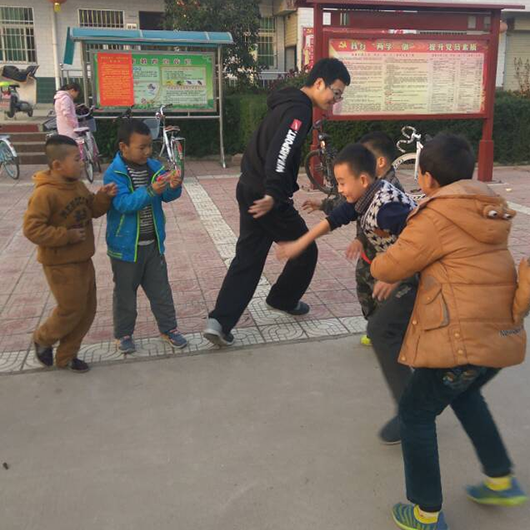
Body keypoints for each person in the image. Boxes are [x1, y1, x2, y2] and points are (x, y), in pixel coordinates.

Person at [371, 133, 530, 530]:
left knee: (415, 413)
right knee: (465, 395)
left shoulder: (436, 215)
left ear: (426, 177)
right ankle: (500, 479)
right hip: (499, 335)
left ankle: (426, 513)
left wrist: (377, 257)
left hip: (461, 341)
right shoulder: (487, 208)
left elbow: (390, 267)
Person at [204, 57, 351, 347]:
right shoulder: (299, 110)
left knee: (249, 256)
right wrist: (272, 193)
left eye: (340, 96)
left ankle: (218, 322)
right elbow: (280, 151)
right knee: (305, 248)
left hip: (249, 186)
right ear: (319, 83)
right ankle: (282, 299)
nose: (335, 100)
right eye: (335, 92)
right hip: (268, 196)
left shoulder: (286, 103)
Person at [277, 143, 414, 315]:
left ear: (363, 180)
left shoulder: (387, 209)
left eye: (342, 183)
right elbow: (333, 220)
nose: (340, 190)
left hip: (412, 270)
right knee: (378, 317)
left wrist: (396, 277)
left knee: (395, 321)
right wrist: (299, 244)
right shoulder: (365, 195)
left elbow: (416, 243)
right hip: (393, 265)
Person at [23, 135, 116, 372]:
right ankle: (43, 338)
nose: (82, 162)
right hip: (60, 265)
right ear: (57, 165)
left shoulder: (77, 185)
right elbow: (32, 229)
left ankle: (66, 356)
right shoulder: (44, 194)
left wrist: (103, 196)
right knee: (70, 310)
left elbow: (92, 209)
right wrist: (66, 236)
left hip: (84, 260)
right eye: (76, 159)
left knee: (87, 311)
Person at [104, 118, 187, 355]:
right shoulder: (114, 173)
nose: (147, 151)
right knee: (125, 294)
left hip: (153, 244)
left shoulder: (154, 167)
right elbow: (123, 204)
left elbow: (167, 196)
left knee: (161, 291)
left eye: (149, 145)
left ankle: (169, 329)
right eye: (141, 147)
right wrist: (151, 190)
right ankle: (123, 334)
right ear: (123, 147)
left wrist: (174, 185)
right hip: (125, 248)